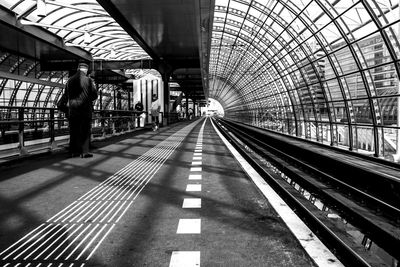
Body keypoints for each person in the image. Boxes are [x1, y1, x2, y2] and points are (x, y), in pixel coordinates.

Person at [60, 62, 98, 158]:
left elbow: (66, 95)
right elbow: (95, 95)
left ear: (78, 69)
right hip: (85, 110)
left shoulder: (69, 81)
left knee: (74, 131)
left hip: (73, 110)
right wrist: (87, 100)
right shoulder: (88, 80)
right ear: (85, 70)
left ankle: (74, 152)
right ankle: (84, 152)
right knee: (85, 131)